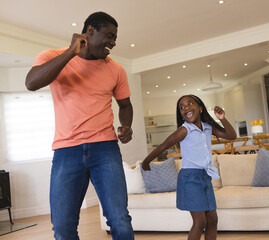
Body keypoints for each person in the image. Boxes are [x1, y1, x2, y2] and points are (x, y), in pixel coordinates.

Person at [25, 12, 134, 240]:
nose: (113, 43)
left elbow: (125, 105)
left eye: (115, 38)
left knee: (120, 221)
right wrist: (70, 52)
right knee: (63, 228)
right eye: (109, 36)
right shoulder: (52, 56)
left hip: (105, 149)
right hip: (66, 151)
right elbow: (32, 82)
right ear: (90, 31)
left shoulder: (116, 69)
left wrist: (127, 125)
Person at [142, 94, 236, 240]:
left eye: (190, 103)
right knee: (200, 221)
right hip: (190, 179)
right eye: (182, 107)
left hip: (205, 177)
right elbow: (163, 146)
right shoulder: (184, 130)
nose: (186, 108)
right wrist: (146, 162)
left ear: (200, 108)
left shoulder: (207, 128)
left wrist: (222, 118)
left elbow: (231, 136)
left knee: (213, 220)